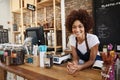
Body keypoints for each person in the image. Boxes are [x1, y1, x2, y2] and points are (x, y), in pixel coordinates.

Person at [66, 9, 102, 74]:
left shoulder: (93, 39)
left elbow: (91, 60)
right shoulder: (72, 38)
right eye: (74, 27)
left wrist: (80, 67)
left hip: (95, 62)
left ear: (85, 27)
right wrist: (74, 65)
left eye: (80, 26)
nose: (77, 30)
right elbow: (76, 58)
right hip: (83, 62)